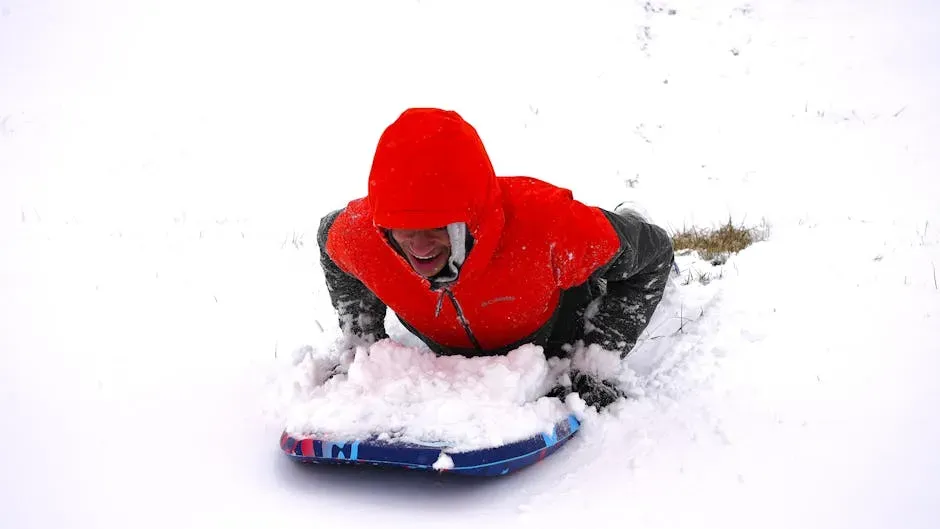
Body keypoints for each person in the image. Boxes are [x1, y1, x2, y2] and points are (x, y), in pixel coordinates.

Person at [317, 108, 674, 409]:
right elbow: (329, 242)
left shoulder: (549, 226)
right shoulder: (363, 236)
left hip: (558, 325)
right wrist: (363, 345)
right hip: (454, 348)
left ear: (472, 217)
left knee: (620, 251)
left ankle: (629, 214)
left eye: (438, 227)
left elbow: (654, 255)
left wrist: (594, 362)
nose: (420, 248)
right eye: (404, 229)